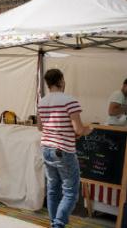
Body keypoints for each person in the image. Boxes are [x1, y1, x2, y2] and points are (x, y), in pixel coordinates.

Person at [38, 69, 92, 228]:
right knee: (70, 193)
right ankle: (58, 224)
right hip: (63, 150)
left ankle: (54, 222)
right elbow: (79, 130)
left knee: (53, 190)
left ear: (48, 83)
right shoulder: (70, 100)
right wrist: (88, 129)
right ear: (61, 80)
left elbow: (40, 127)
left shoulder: (42, 101)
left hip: (46, 148)